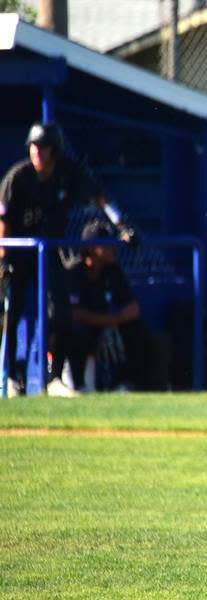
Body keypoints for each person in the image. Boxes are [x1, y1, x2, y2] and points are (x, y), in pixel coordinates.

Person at [0, 121, 127, 397]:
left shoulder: (67, 172)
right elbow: (4, 222)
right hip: (20, 255)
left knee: (61, 312)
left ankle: (54, 377)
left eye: (43, 148)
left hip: (51, 252)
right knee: (14, 314)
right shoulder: (18, 177)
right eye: (33, 147)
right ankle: (13, 378)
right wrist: (2, 256)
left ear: (54, 151)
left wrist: (120, 223)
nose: (37, 153)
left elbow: (98, 196)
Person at [65, 219, 149, 392]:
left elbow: (133, 308)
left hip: (106, 325)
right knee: (77, 331)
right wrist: (108, 322)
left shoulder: (112, 270)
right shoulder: (74, 272)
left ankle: (126, 383)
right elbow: (75, 313)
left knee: (135, 329)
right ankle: (78, 384)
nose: (113, 248)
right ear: (91, 248)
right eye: (106, 245)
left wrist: (113, 324)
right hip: (86, 328)